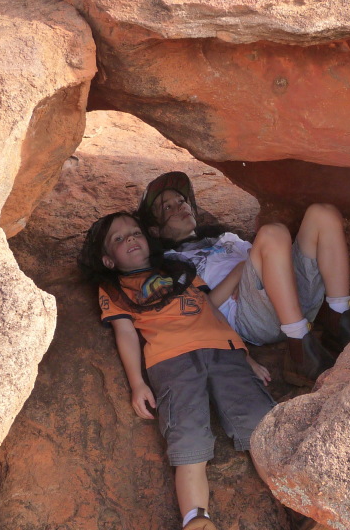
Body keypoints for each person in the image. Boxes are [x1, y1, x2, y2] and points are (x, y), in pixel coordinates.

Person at [79, 211, 276, 530]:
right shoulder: (115, 289)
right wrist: (137, 383)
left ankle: (294, 495)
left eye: (135, 233)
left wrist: (245, 355)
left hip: (223, 351)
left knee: (260, 423)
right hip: (171, 360)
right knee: (187, 437)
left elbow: (210, 309)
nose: (130, 238)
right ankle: (196, 519)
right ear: (108, 261)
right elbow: (126, 333)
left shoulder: (180, 270)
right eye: (119, 238)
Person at [136, 172, 350, 387]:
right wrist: (239, 273)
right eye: (168, 207)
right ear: (155, 231)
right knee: (272, 233)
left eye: (181, 200)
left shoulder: (226, 238)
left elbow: (267, 259)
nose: (180, 206)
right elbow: (202, 309)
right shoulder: (171, 263)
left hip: (291, 297)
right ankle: (300, 348)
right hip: (251, 316)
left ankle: (340, 319)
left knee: (322, 212)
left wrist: (248, 271)